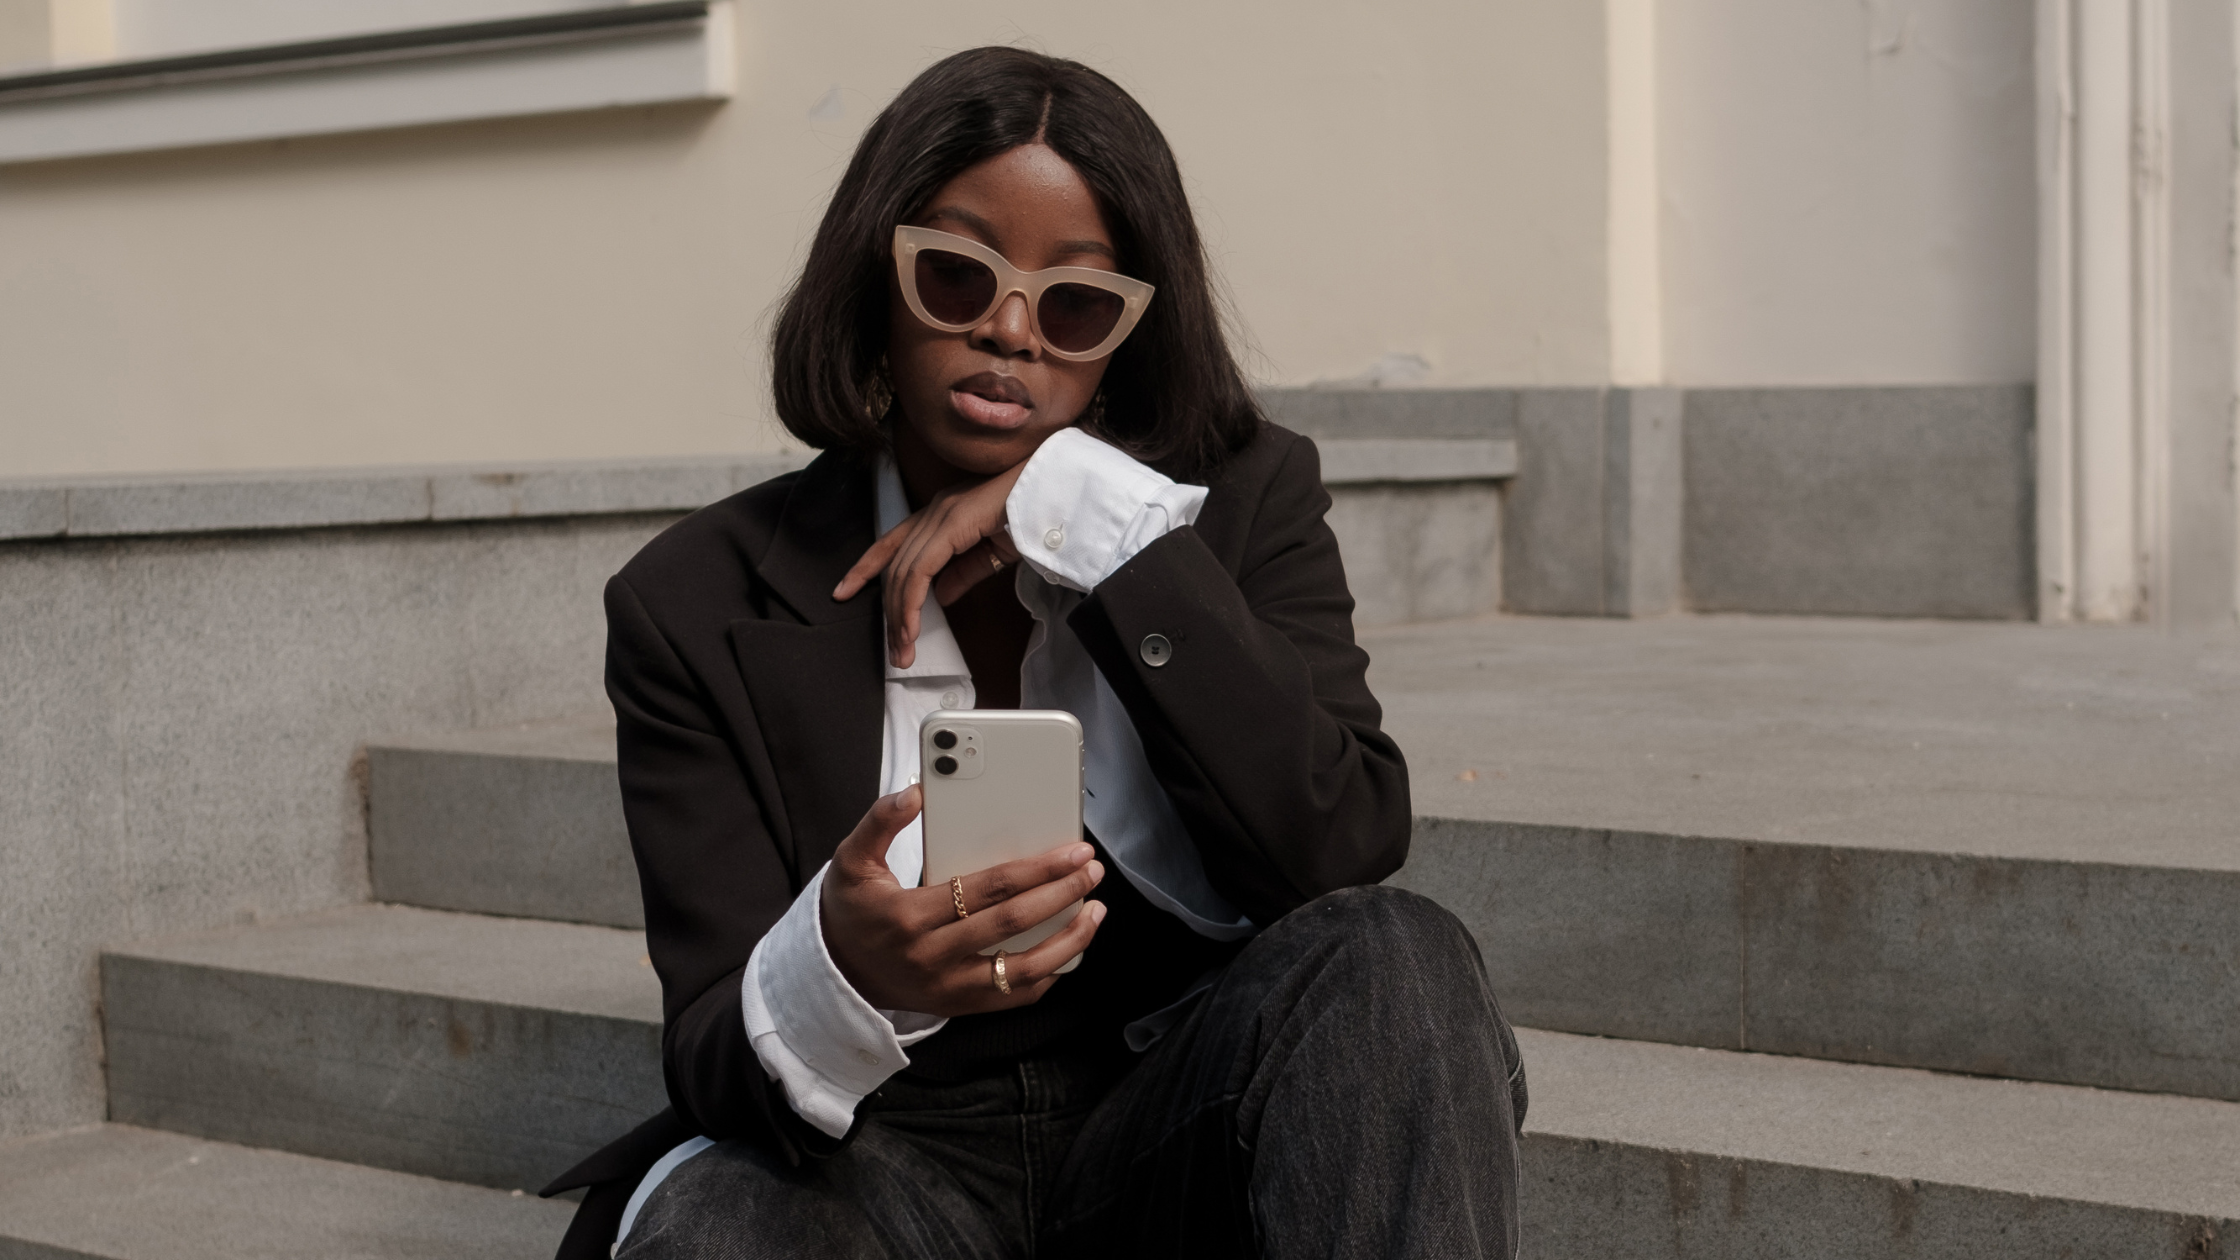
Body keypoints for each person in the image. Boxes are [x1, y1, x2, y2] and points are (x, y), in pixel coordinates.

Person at [540, 46, 1527, 1260]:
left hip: (1171, 1125)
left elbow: (1339, 844)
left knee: (1394, 958)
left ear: (1126, 333)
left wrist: (1097, 527)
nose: (1009, 331)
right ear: (875, 279)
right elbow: (708, 1052)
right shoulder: (688, 598)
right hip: (885, 1164)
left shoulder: (1241, 502)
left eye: (1074, 305)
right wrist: (841, 966)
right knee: (712, 1217)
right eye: (954, 278)